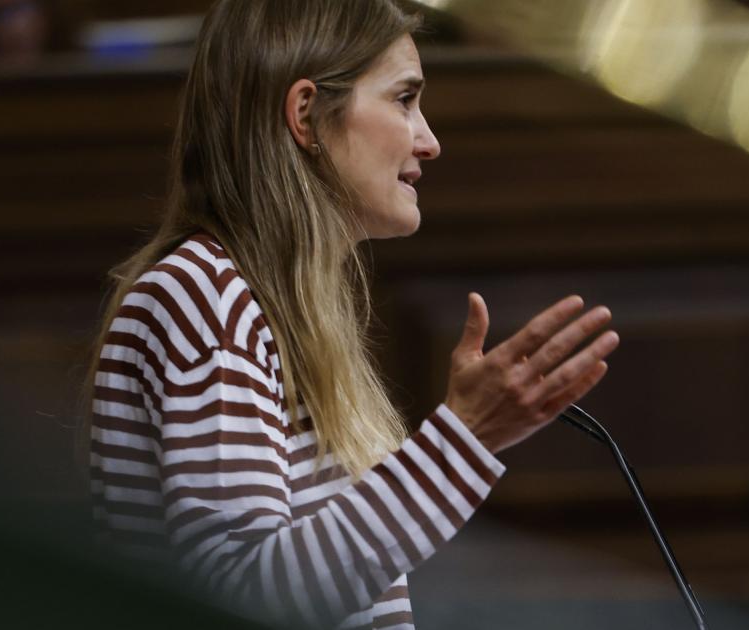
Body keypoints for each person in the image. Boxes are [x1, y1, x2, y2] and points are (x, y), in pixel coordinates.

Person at [86, 1, 619, 628]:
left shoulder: (265, 299)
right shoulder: (204, 295)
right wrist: (466, 440)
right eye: (404, 99)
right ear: (307, 114)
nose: (430, 140)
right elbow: (239, 596)